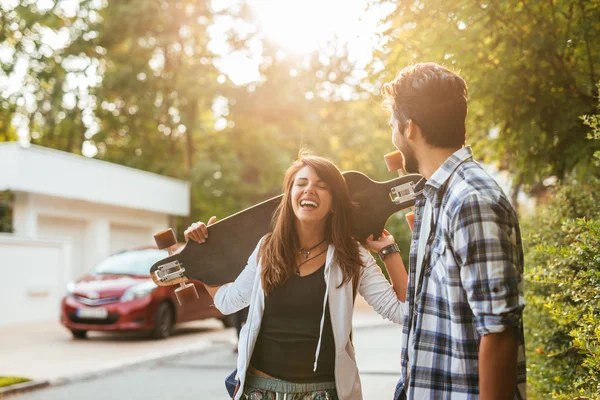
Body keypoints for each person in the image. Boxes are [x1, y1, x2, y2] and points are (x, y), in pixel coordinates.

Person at [184, 154, 408, 400]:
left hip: (322, 393)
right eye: (301, 183)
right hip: (260, 391)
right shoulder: (266, 248)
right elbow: (228, 301)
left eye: (322, 186)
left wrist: (388, 251)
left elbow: (402, 311)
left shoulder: (351, 255)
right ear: (290, 196)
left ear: (334, 202)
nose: (310, 190)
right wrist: (201, 258)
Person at [381, 62, 526, 399]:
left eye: (393, 126)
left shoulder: (470, 200)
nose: (392, 136)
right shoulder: (433, 196)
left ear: (411, 129)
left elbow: (499, 332)